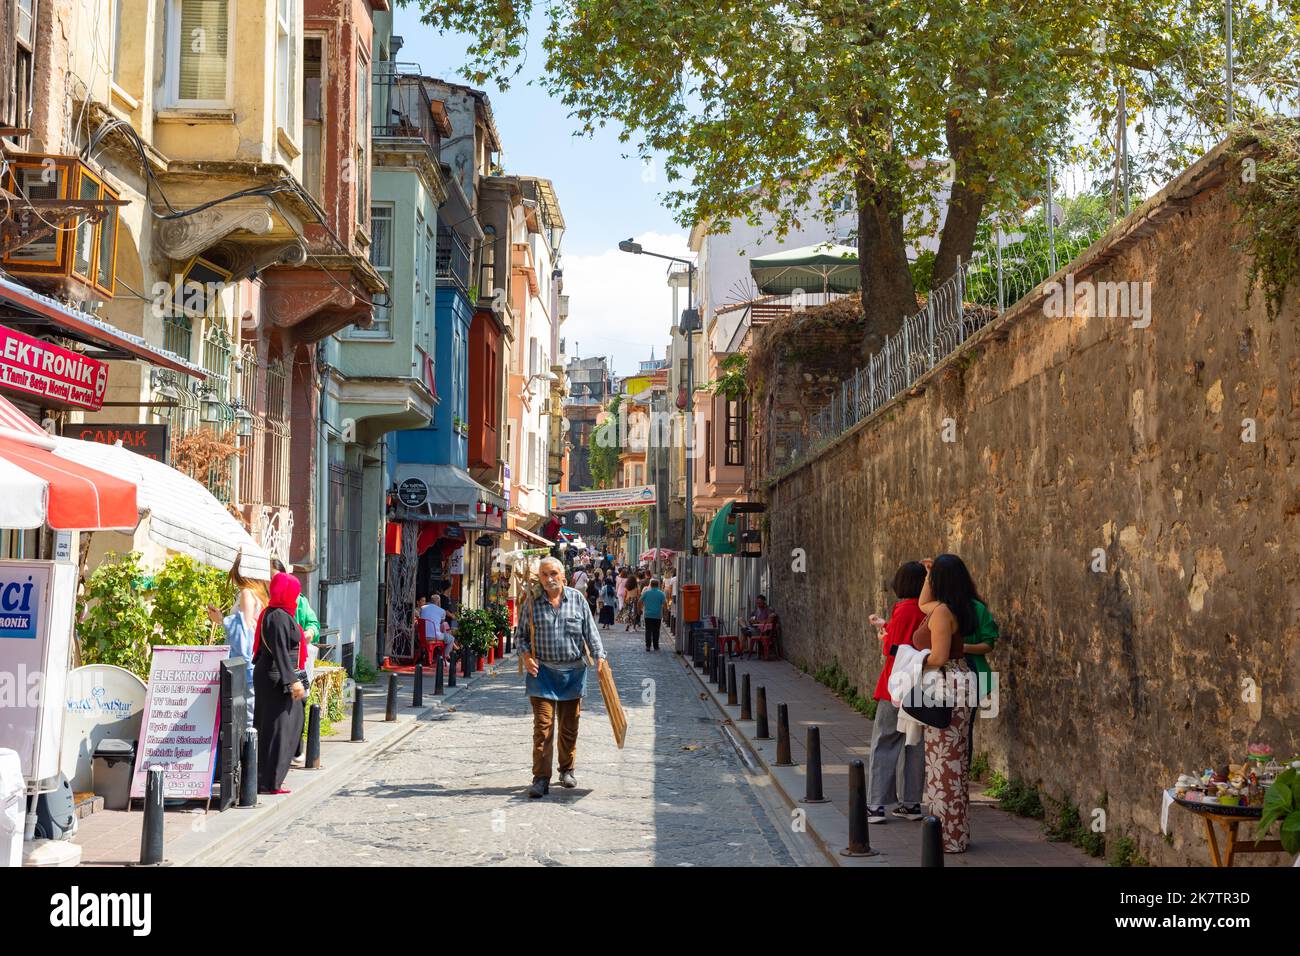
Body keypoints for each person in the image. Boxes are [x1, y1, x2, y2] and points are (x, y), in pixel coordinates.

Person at [515, 557, 608, 798]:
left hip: (573, 672)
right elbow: (520, 636)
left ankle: (567, 770)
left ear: (564, 576)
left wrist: (599, 657)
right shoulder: (532, 602)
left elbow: (591, 631)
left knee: (569, 727)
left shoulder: (577, 600)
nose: (549, 579)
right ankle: (541, 778)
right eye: (545, 574)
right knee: (543, 728)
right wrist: (526, 657)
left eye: (554, 573)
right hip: (543, 672)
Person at [913, 554, 979, 853]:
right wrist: (929, 573)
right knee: (955, 757)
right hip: (962, 680)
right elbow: (921, 603)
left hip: (947, 683)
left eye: (934, 576)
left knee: (943, 762)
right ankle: (956, 832)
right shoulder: (962, 606)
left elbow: (938, 656)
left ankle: (945, 837)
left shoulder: (941, 613)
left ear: (942, 581)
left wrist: (913, 661)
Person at [865, 562, 929, 824]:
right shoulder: (929, 611)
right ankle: (912, 802)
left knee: (884, 741)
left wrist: (884, 633)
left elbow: (892, 649)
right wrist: (887, 626)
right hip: (922, 684)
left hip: (896, 684)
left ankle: (877, 804)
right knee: (915, 743)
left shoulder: (902, 609)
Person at [252, 572, 309, 794]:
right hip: (276, 678)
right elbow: (280, 651)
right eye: (293, 592)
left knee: (281, 727)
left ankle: (268, 778)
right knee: (278, 729)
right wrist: (291, 681)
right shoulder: (277, 617)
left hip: (275, 675)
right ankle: (268, 781)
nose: (296, 597)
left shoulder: (278, 614)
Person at [207, 555, 268, 730]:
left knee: (247, 714)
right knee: (249, 711)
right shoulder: (257, 594)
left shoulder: (246, 594)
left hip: (245, 664)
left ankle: (249, 755)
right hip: (253, 661)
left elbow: (243, 634)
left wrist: (222, 620)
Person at [640, 578, 667, 651]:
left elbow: (640, 601)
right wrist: (665, 613)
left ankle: (648, 646)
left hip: (648, 615)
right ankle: (656, 646)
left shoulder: (646, 592)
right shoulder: (661, 593)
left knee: (648, 630)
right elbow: (665, 604)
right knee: (656, 630)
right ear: (658, 585)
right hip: (657, 615)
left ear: (651, 585)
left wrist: (640, 609)